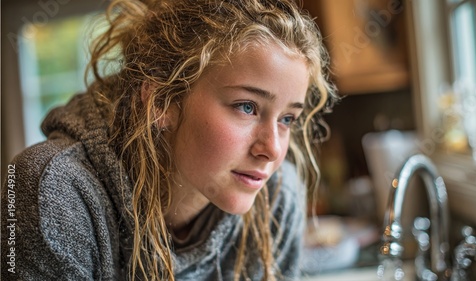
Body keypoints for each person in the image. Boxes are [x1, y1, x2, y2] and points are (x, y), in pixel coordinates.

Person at [1, 0, 336, 280]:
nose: (273, 150)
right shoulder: (54, 192)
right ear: (161, 101)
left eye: (287, 119)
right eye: (246, 107)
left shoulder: (277, 196)